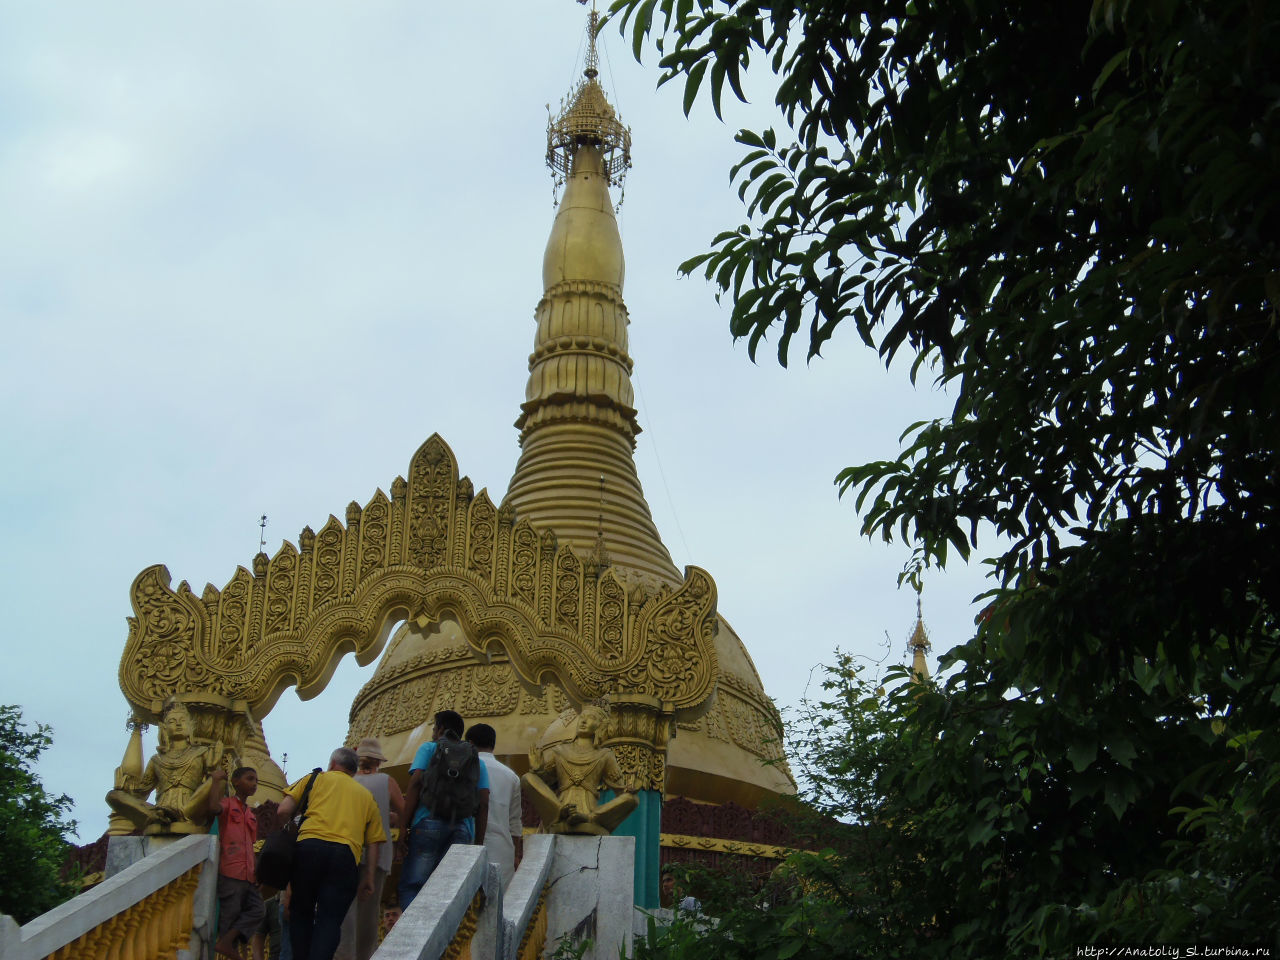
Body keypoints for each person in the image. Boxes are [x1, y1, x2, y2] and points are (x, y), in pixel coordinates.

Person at [276, 748, 386, 960]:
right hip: (345, 856)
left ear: (333, 764)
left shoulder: (315, 779)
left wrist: (288, 835)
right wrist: (369, 878)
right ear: (353, 771)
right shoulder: (366, 796)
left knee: (301, 913)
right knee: (330, 919)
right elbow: (374, 842)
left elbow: (282, 810)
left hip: (308, 848)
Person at [398, 710, 489, 910]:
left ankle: (414, 937)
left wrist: (403, 826)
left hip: (428, 821)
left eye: (433, 727)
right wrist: (478, 845)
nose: (432, 732)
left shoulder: (429, 748)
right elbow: (483, 803)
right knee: (446, 892)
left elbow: (415, 784)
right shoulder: (476, 761)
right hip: (462, 828)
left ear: (440, 729)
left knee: (413, 886)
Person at [334, 738, 405, 960]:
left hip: (346, 851)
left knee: (345, 913)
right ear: (378, 761)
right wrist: (397, 830)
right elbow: (404, 810)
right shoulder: (386, 781)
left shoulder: (348, 780)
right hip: (378, 854)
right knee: (368, 914)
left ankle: (343, 954)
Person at [522, 704, 637, 835]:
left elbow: (620, 790)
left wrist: (627, 789)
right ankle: (560, 813)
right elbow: (546, 781)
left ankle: (590, 818)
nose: (583, 721)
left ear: (600, 726)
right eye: (582, 717)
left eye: (591, 718)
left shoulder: (605, 755)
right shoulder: (560, 751)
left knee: (631, 799)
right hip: (561, 806)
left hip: (591, 809)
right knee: (528, 778)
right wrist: (537, 770)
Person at [209, 765, 266, 959]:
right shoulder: (227, 804)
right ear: (235, 781)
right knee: (229, 917)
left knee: (258, 910)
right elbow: (212, 808)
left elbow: (251, 846)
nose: (254, 784)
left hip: (248, 874)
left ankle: (226, 943)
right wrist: (216, 781)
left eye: (256, 781)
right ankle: (226, 945)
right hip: (230, 871)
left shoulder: (250, 814)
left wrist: (256, 871)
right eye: (250, 779)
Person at [464, 723, 523, 887]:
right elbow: (515, 823)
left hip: (467, 844)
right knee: (498, 907)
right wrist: (516, 855)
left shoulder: (464, 768)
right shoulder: (511, 776)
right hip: (502, 850)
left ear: (469, 743)